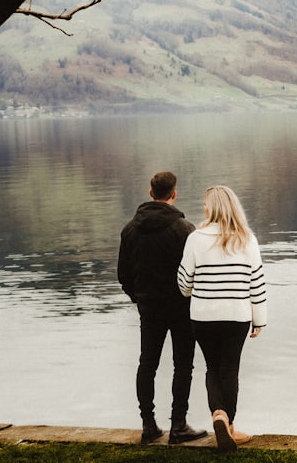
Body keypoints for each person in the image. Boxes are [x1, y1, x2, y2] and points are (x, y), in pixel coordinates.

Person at [177, 185, 267, 453]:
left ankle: (218, 414)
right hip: (236, 316)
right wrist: (259, 319)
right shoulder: (247, 239)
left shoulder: (195, 238)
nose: (204, 207)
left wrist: (198, 287)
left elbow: (184, 283)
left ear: (212, 208)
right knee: (230, 369)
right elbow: (257, 283)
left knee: (212, 368)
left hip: (203, 316)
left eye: (206, 203)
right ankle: (229, 427)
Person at [118, 171, 207, 445]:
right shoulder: (184, 230)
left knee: (148, 363)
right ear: (174, 194)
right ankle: (178, 425)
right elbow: (196, 272)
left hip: (149, 308)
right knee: (183, 365)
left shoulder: (130, 229)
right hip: (182, 307)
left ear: (150, 192)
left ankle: (148, 424)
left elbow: (124, 274)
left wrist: (139, 297)